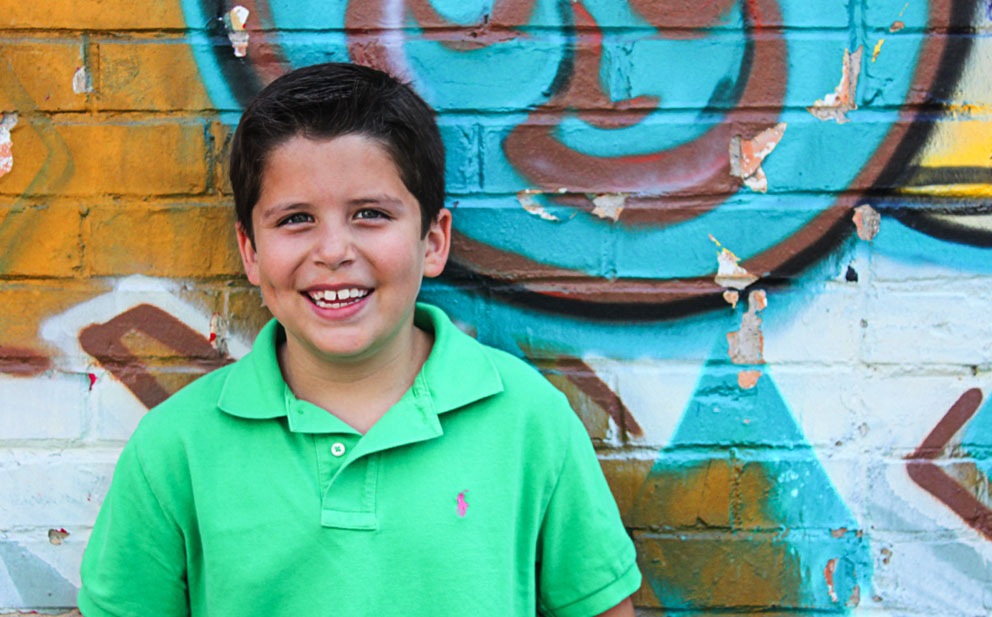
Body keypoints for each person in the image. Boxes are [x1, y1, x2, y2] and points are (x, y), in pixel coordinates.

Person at [78, 62, 640, 617]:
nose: (333, 251)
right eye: (296, 219)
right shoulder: (176, 447)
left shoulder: (528, 420)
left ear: (433, 241)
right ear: (251, 252)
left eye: (369, 214)